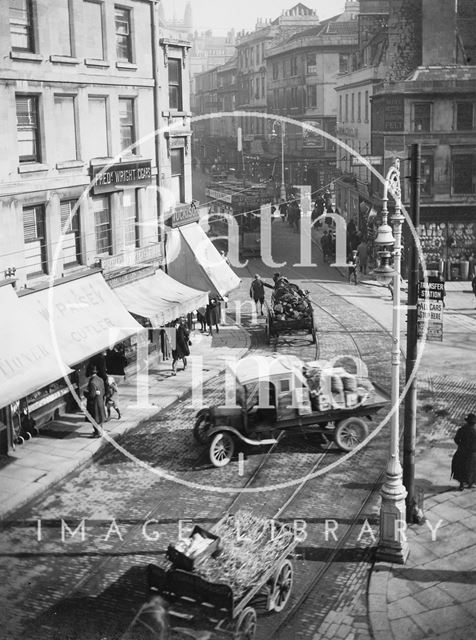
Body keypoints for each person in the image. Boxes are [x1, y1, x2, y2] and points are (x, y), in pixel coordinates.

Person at [451, 413, 476, 490]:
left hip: (462, 452)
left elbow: (456, 439)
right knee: (472, 468)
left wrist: (461, 445)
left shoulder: (461, 430)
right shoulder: (475, 432)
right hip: (473, 453)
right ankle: (470, 483)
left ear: (467, 422)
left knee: (460, 467)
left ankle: (461, 484)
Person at [85, 366, 106, 437]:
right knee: (100, 418)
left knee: (95, 418)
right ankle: (101, 431)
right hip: (100, 401)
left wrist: (85, 393)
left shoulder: (92, 382)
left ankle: (97, 433)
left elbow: (91, 395)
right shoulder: (100, 379)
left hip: (94, 404)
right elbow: (103, 391)